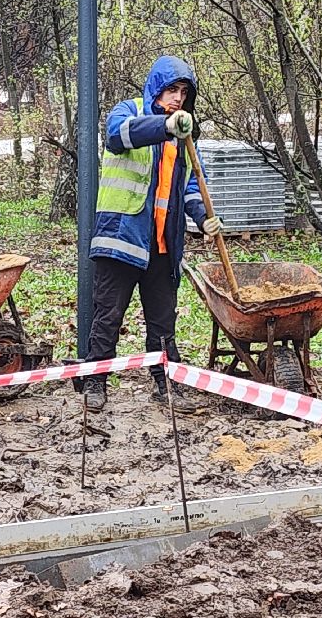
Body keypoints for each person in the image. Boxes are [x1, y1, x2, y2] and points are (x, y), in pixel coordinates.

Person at [81, 56, 223, 410]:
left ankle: (167, 386)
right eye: (171, 90)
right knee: (108, 316)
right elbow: (118, 136)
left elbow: (191, 183)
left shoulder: (184, 135)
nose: (177, 98)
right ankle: (95, 383)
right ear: (156, 88)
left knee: (162, 321)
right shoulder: (129, 111)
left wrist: (203, 217)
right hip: (122, 237)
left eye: (183, 92)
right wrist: (165, 127)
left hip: (163, 244)